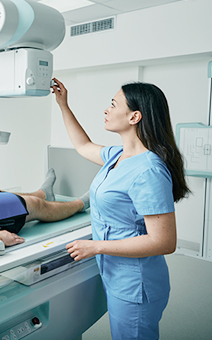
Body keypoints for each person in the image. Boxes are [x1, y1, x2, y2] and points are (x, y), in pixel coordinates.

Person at [51, 78, 190, 340]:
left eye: (113, 104)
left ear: (134, 117)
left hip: (135, 281)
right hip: (115, 272)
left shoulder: (149, 170)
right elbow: (83, 146)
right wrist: (63, 105)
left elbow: (164, 242)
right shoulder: (119, 156)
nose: (107, 109)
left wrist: (96, 246)